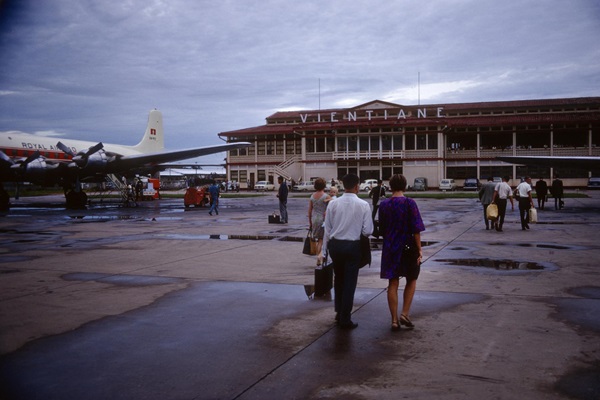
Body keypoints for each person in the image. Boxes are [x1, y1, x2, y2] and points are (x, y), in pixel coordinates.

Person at [323, 173, 373, 330]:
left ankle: (339, 312)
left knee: (338, 279)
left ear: (343, 185)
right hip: (352, 245)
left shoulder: (333, 204)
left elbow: (328, 228)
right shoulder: (363, 205)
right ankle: (345, 316)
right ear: (357, 186)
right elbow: (367, 230)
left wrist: (324, 250)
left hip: (335, 246)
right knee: (350, 282)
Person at [378, 174, 425, 332]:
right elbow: (416, 229)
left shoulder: (384, 205)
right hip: (408, 245)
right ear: (405, 186)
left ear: (390, 186)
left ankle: (394, 320)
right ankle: (405, 313)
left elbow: (382, 229)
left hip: (390, 246)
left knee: (393, 281)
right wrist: (419, 248)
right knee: (411, 278)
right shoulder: (410, 203)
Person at [308, 178, 330, 266]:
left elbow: (309, 211)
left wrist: (310, 222)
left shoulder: (312, 196)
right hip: (323, 218)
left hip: (314, 218)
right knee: (322, 239)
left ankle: (318, 255)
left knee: (317, 240)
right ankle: (320, 256)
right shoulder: (326, 196)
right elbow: (334, 201)